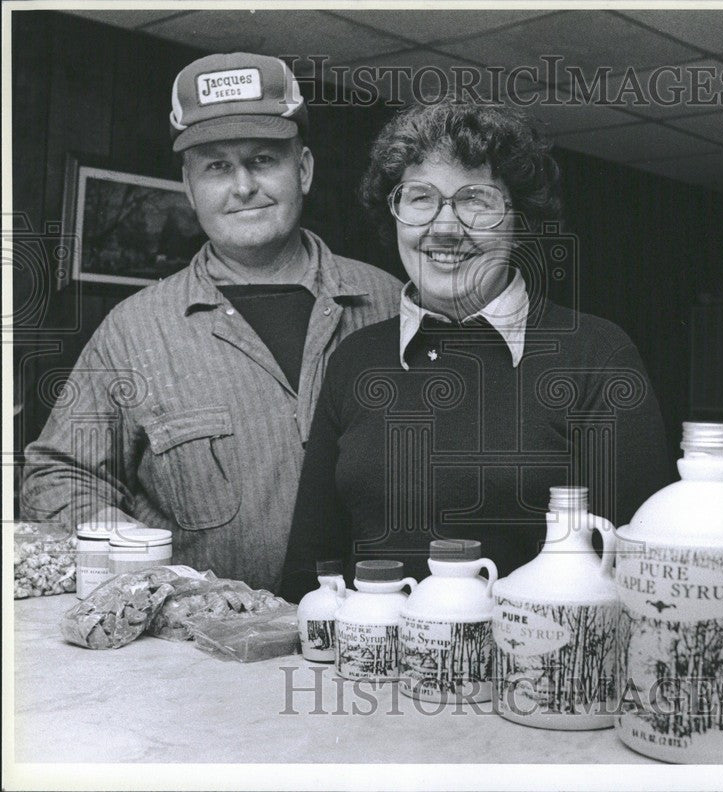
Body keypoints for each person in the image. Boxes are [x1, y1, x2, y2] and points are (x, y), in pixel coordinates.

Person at [20, 53, 401, 591]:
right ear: (189, 185)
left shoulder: (390, 303)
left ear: (305, 169)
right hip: (203, 657)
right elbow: (57, 477)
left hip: (378, 640)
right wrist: (146, 565)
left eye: (263, 159)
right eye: (217, 166)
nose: (243, 186)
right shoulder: (134, 333)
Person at [280, 98, 670, 602]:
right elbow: (308, 572)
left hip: (535, 670)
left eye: (476, 200)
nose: (445, 227)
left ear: (520, 218)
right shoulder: (356, 359)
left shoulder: (595, 355)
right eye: (420, 198)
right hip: (366, 670)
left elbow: (642, 577)